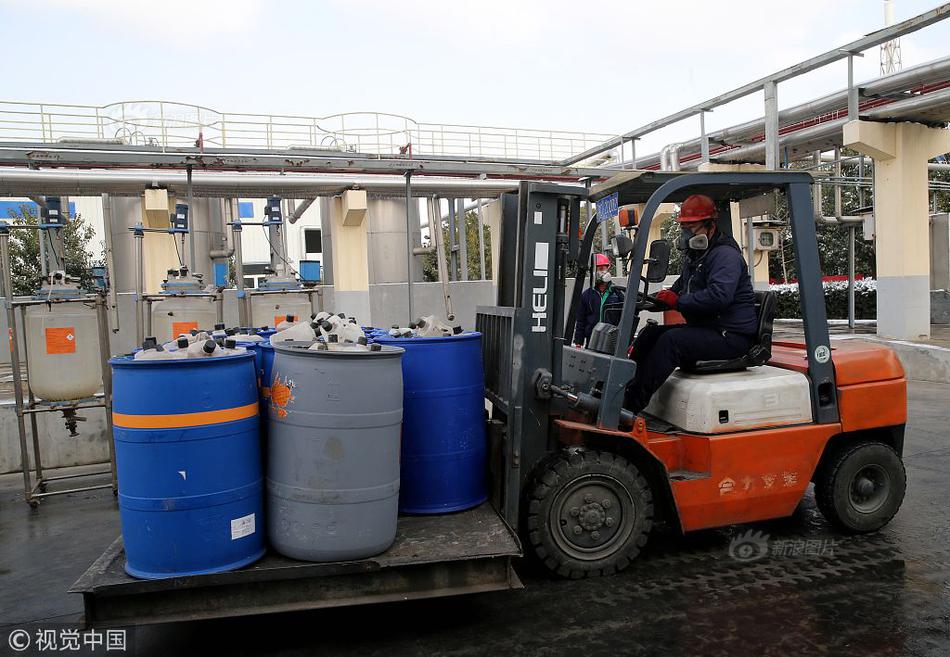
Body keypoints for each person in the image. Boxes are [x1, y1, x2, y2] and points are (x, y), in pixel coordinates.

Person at [624, 194, 757, 414]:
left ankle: (631, 406)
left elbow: (719, 296)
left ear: (710, 225)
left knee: (671, 342)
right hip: (709, 329)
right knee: (650, 335)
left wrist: (678, 302)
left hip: (731, 335)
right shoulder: (697, 257)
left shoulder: (724, 255)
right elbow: (678, 289)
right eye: (683, 227)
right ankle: (622, 390)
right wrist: (651, 300)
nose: (686, 233)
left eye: (691, 226)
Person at [573, 253, 625, 347]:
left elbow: (624, 317)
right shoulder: (587, 295)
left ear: (608, 269)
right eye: (598, 269)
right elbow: (581, 320)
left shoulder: (617, 293)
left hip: (611, 339)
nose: (601, 272)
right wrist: (578, 342)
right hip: (592, 339)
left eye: (603, 268)